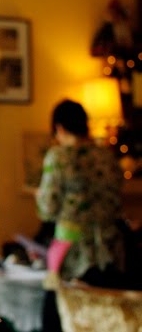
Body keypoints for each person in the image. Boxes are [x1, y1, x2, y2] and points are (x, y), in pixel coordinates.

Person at [36, 99, 125, 287]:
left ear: (59, 128)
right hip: (111, 249)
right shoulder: (108, 156)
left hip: (74, 253)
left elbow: (48, 209)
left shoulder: (59, 156)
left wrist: (39, 196)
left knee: (64, 303)